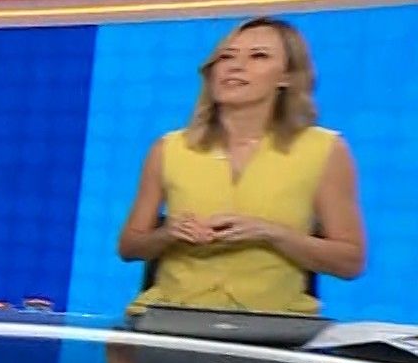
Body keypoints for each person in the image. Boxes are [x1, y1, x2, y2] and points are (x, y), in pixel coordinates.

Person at [118, 16, 365, 315]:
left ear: (287, 77)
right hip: (172, 317)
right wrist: (168, 234)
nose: (236, 66)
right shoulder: (169, 149)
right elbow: (129, 247)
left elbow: (350, 262)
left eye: (258, 56)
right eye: (226, 57)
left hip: (272, 325)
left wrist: (272, 233)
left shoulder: (325, 150)